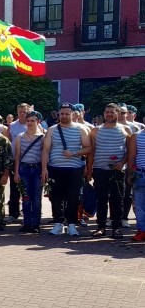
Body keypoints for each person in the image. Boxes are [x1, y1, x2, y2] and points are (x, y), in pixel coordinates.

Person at [42, 103, 91, 236]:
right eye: (62, 113)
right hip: (55, 169)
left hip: (74, 169)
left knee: (73, 198)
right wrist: (44, 169)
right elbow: (46, 150)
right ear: (58, 114)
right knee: (56, 198)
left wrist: (74, 153)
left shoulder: (81, 129)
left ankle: (72, 224)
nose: (64, 116)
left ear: (73, 114)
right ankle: (58, 224)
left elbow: (88, 148)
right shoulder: (52, 130)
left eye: (67, 113)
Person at [87, 103, 129, 238]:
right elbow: (91, 152)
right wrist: (89, 170)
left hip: (117, 171)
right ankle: (101, 227)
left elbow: (130, 151)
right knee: (101, 199)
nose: (109, 114)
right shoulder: (95, 130)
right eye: (107, 112)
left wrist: (122, 162)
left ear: (118, 113)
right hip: (100, 170)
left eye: (112, 112)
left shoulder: (125, 130)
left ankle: (116, 228)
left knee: (117, 200)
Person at [13, 111, 45, 234]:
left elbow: (44, 155)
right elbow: (17, 157)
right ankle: (27, 223)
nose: (30, 123)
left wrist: (44, 171)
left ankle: (36, 224)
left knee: (36, 198)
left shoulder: (43, 137)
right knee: (26, 198)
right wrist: (16, 173)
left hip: (37, 169)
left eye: (32, 121)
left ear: (38, 122)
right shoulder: (20, 137)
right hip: (24, 169)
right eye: (28, 121)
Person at [126, 127, 145, 242]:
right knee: (139, 205)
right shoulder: (136, 136)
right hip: (140, 174)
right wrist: (130, 174)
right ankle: (142, 230)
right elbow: (131, 156)